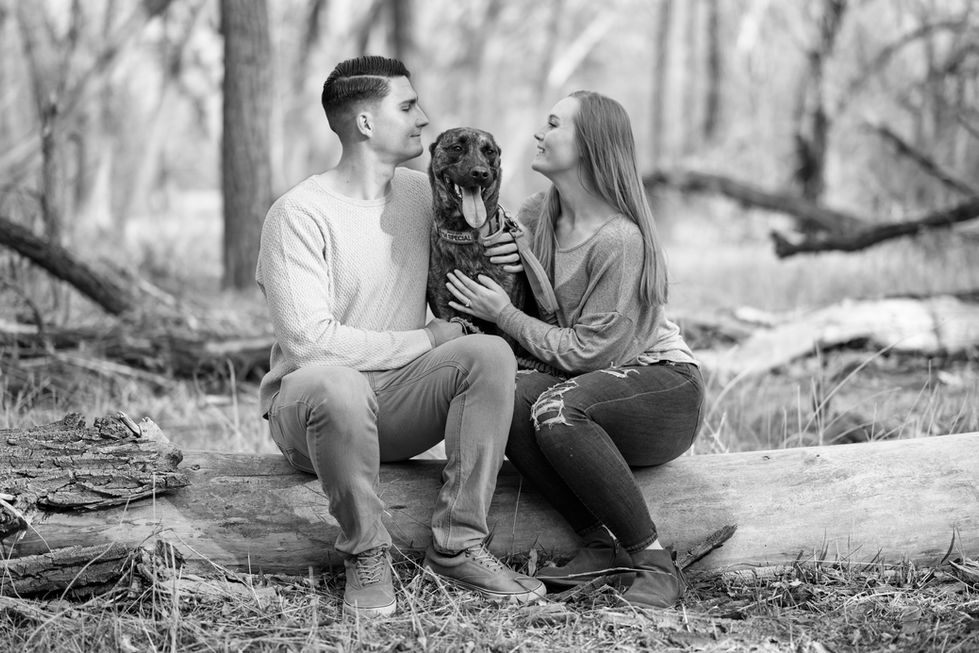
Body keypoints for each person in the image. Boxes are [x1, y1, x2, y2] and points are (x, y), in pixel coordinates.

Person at [255, 55, 545, 619]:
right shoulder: (297, 214)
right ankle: (366, 554)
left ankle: (458, 544)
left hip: (398, 403)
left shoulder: (424, 194)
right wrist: (427, 339)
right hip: (312, 412)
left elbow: (493, 220)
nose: (423, 118)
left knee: (489, 353)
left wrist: (513, 245)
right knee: (338, 383)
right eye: (408, 106)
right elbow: (310, 346)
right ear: (366, 123)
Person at [445, 90, 704, 609]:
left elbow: (590, 354)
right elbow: (535, 321)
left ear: (588, 145)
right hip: (581, 386)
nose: (539, 134)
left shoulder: (620, 240)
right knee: (506, 393)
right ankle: (600, 546)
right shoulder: (536, 214)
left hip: (660, 388)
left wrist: (505, 313)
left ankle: (655, 564)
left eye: (554, 124)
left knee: (556, 409)